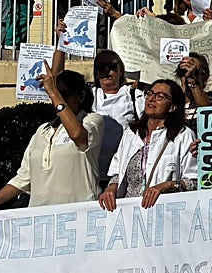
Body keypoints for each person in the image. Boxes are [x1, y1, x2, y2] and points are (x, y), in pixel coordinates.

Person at [0, 69, 102, 220]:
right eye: (53, 94)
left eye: (63, 94)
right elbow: (22, 180)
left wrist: (53, 92)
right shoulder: (42, 131)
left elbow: (77, 135)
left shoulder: (92, 121)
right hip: (40, 221)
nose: (57, 99)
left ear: (81, 96)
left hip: (79, 219)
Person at [52, 43, 145, 185]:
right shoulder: (91, 94)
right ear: (95, 73)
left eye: (112, 66)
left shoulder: (133, 95)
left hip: (121, 173)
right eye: (101, 67)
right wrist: (62, 43)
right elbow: (57, 82)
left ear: (121, 70)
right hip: (90, 173)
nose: (107, 71)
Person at [100, 79, 197, 210]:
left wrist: (166, 186)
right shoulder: (131, 134)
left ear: (172, 107)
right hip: (130, 213)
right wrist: (111, 189)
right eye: (150, 93)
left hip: (164, 212)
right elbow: (117, 173)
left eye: (160, 96)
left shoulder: (184, 135)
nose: (151, 99)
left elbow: (193, 182)